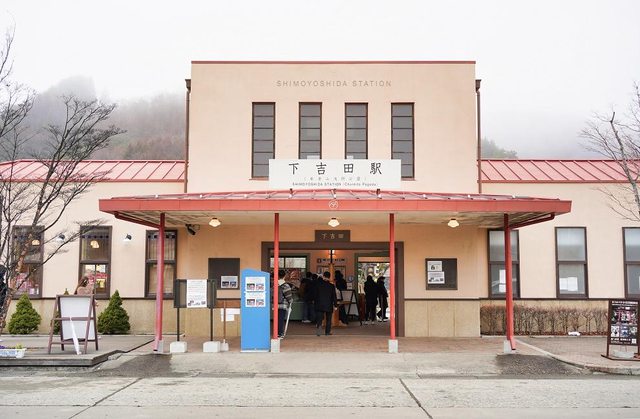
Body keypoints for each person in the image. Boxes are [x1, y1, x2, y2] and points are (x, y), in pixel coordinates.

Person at [314, 271, 337, 336]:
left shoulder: (318, 285)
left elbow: (315, 295)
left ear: (323, 277)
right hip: (328, 305)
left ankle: (319, 332)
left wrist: (315, 302)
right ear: (329, 277)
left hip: (319, 304)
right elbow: (334, 296)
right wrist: (335, 305)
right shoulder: (331, 286)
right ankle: (327, 332)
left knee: (319, 320)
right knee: (328, 319)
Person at [277, 269, 293, 338]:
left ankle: (277, 332)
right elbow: (289, 296)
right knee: (281, 319)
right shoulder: (286, 285)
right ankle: (280, 333)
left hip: (275, 304)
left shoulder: (275, 284)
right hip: (282, 305)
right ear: (285, 276)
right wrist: (291, 301)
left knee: (277, 319)